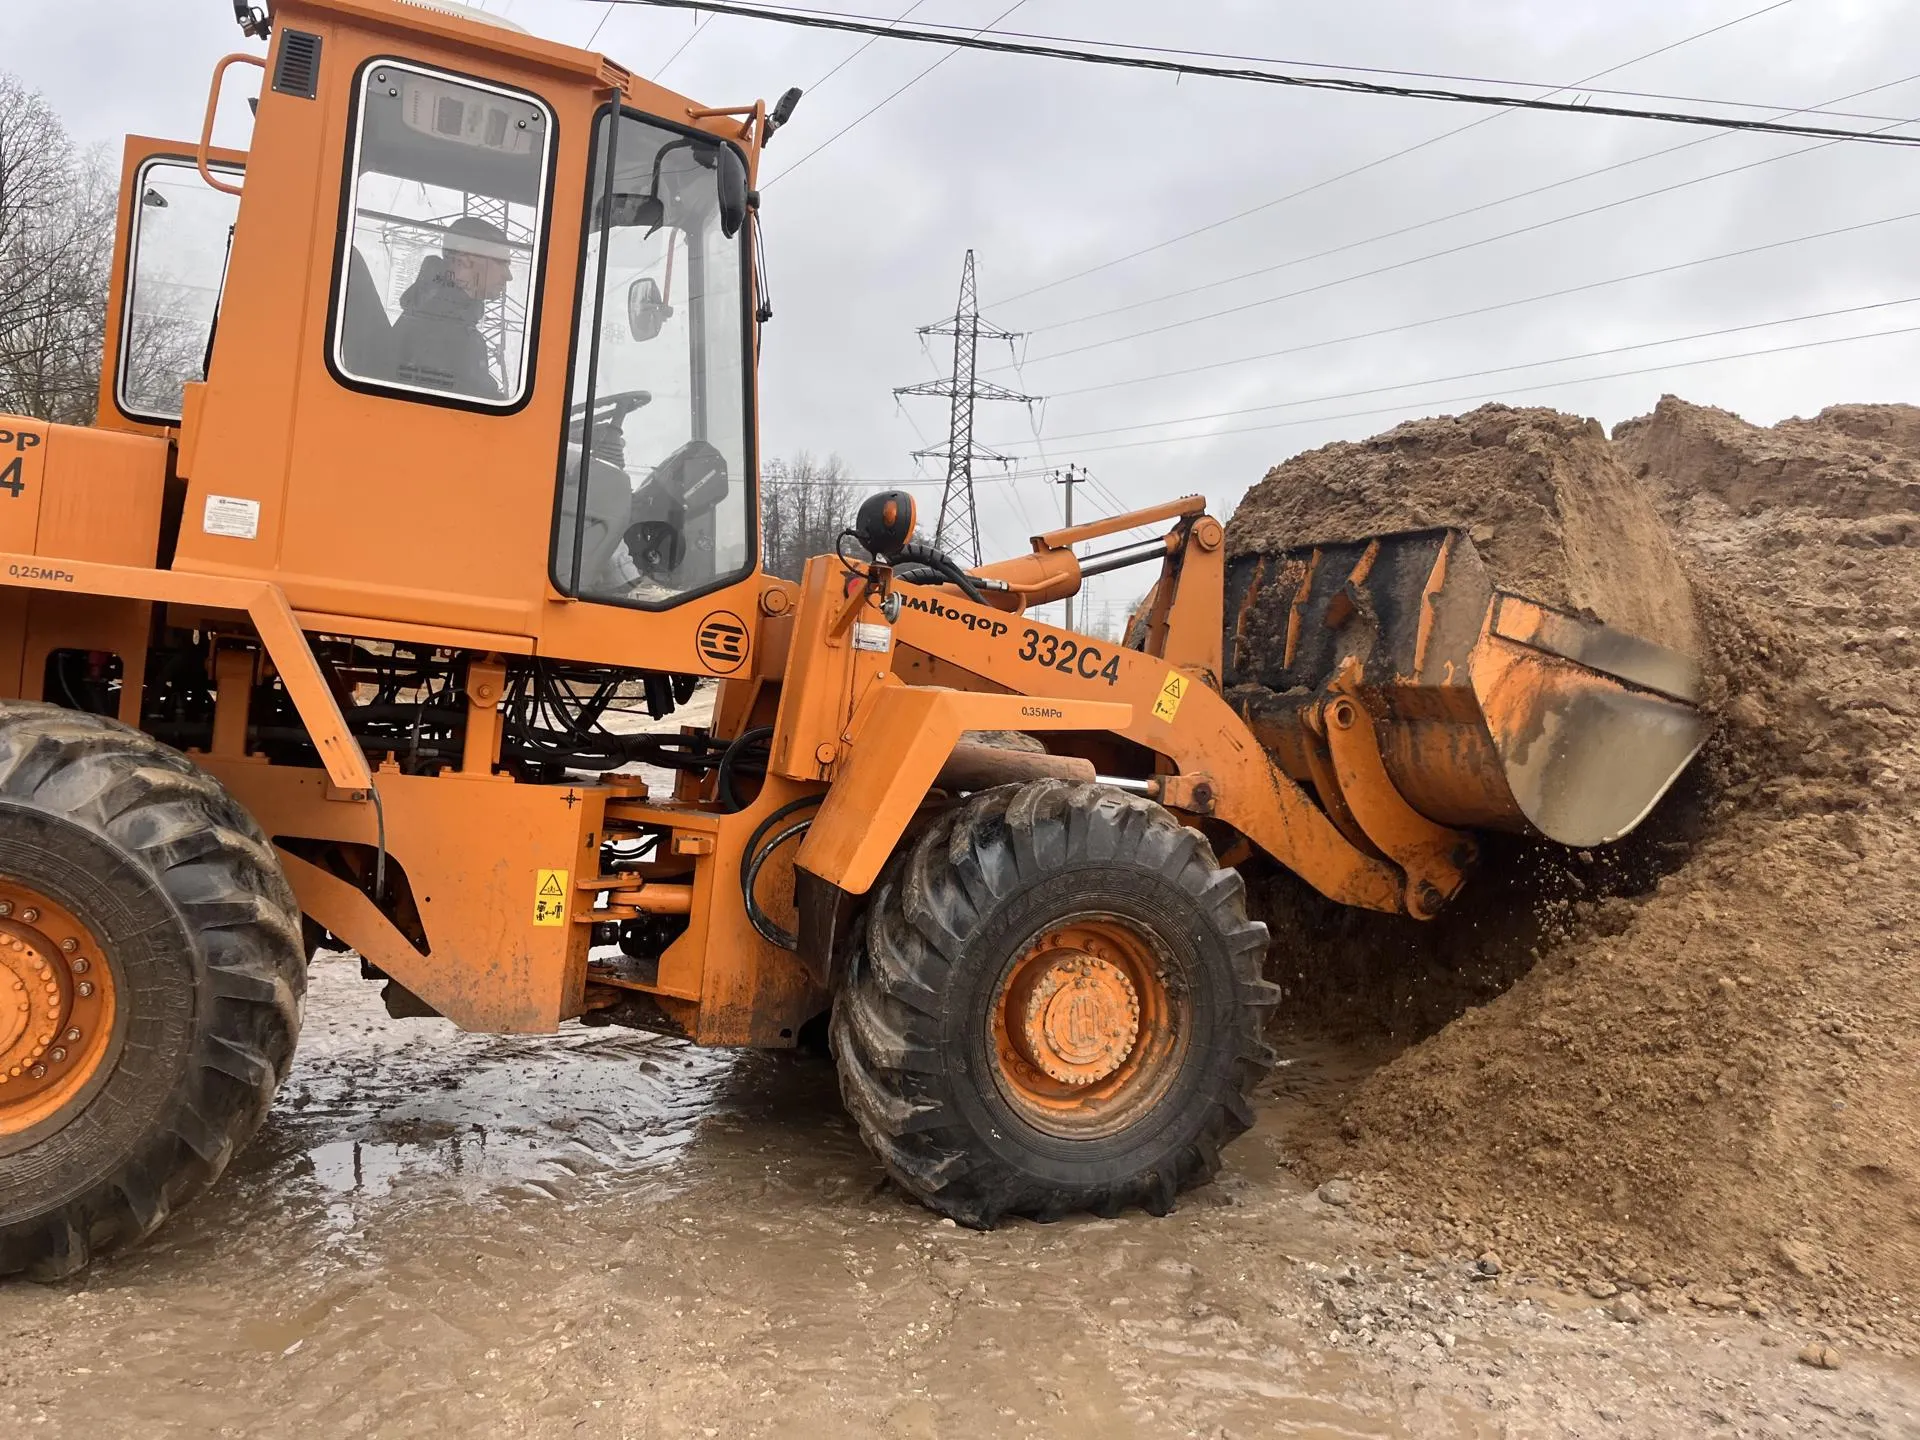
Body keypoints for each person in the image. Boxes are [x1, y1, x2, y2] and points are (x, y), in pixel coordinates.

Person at [391, 215, 514, 400]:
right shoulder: (442, 328)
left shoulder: (436, 313)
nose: (508, 275)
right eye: (502, 262)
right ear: (464, 260)